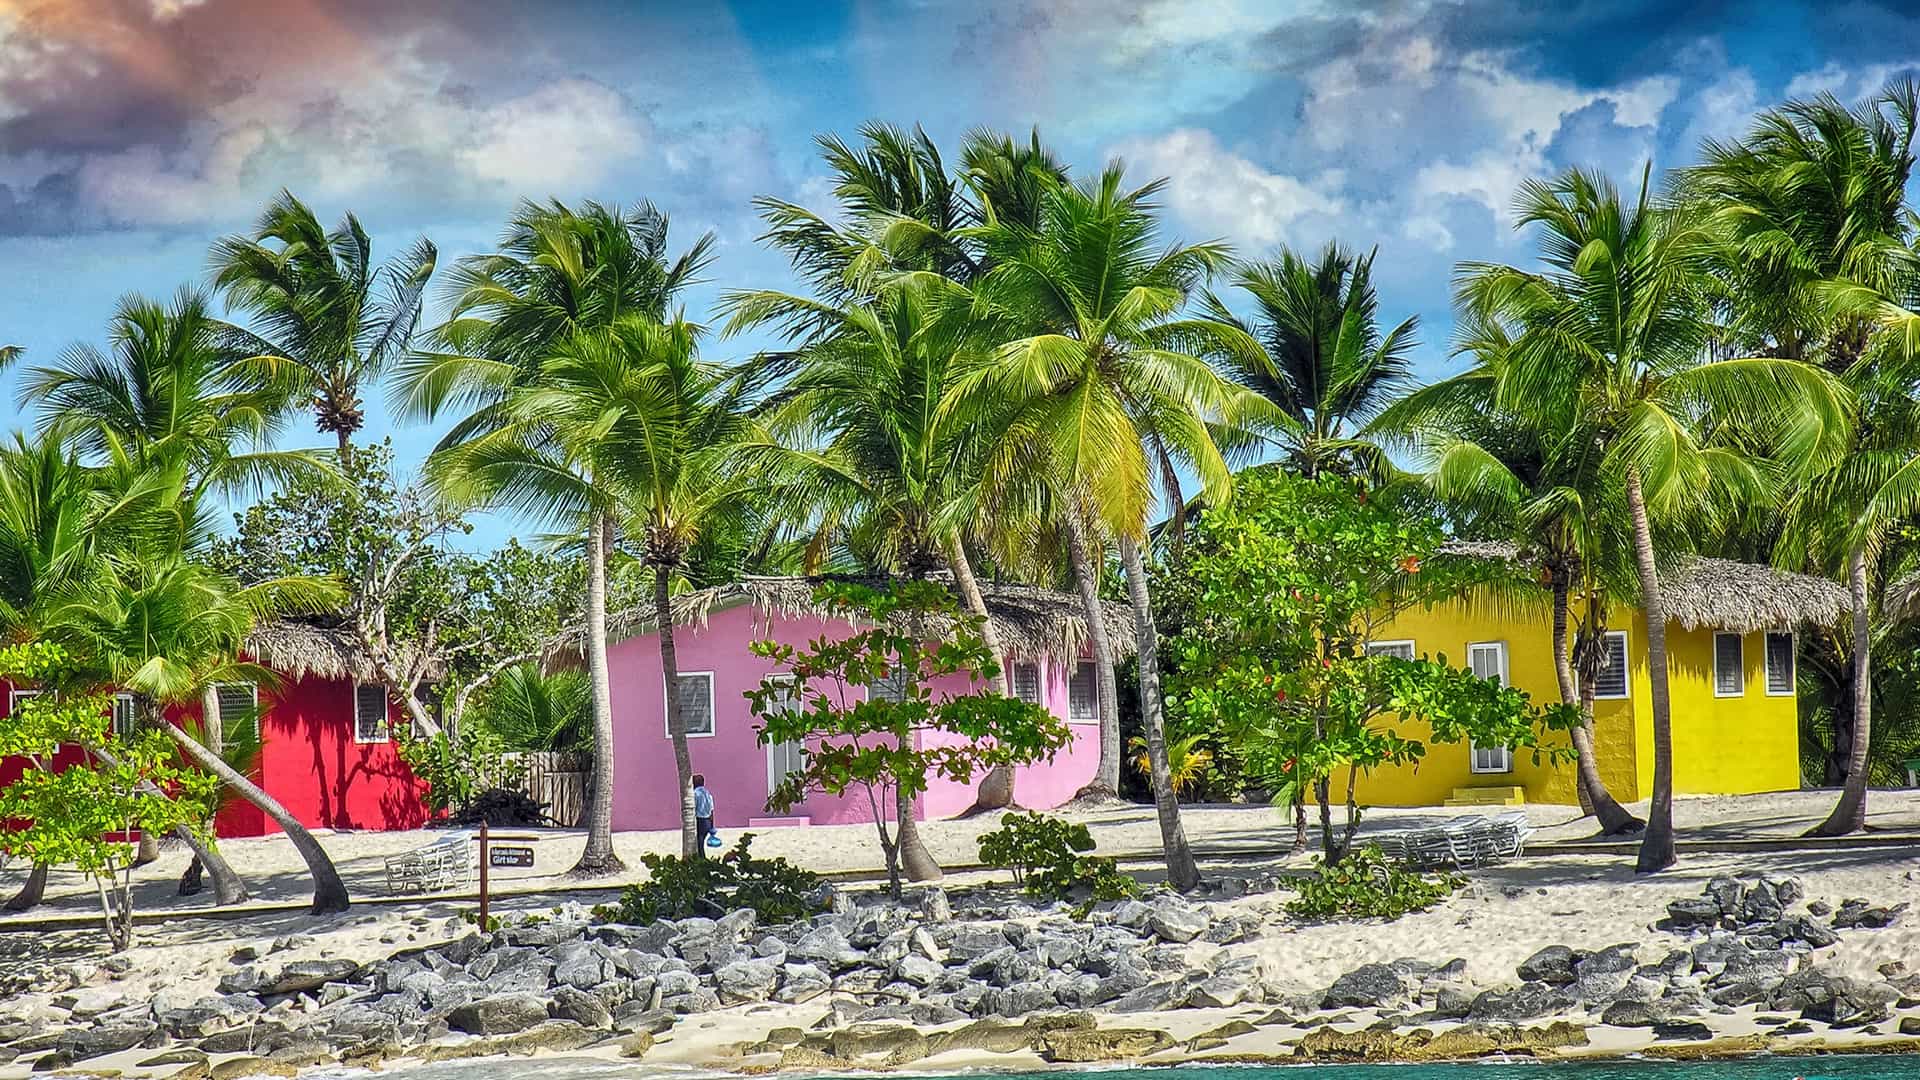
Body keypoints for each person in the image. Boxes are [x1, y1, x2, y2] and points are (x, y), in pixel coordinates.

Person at [692, 774, 716, 855]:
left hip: (700, 820)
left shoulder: (695, 794)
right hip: (708, 821)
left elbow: (693, 808)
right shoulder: (707, 793)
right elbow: (712, 810)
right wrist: (712, 825)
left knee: (699, 844)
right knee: (701, 842)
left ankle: (702, 860)